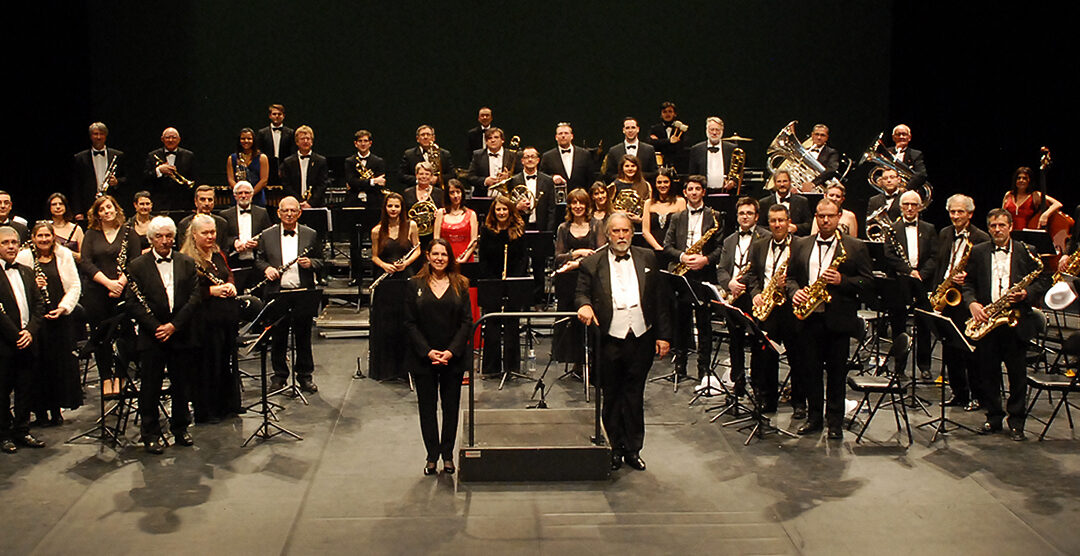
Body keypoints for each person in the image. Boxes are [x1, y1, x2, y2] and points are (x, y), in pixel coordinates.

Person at [576, 212, 672, 471]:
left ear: (632, 232)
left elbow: (660, 300)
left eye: (626, 231)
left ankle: (633, 449)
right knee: (611, 395)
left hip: (640, 337)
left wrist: (664, 335)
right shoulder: (592, 263)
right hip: (609, 338)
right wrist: (584, 305)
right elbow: (581, 293)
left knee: (634, 395)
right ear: (608, 234)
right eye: (616, 231)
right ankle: (613, 448)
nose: (621, 236)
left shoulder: (648, 257)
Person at [786, 198, 873, 440]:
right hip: (808, 317)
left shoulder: (855, 246)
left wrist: (842, 281)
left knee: (836, 373)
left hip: (838, 320)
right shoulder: (802, 244)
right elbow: (790, 278)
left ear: (839, 216)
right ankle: (814, 418)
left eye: (830, 216)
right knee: (809, 371)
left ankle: (834, 421)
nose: (825, 220)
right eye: (821, 216)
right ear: (815, 216)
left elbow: (868, 283)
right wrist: (795, 292)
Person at [962, 208, 1049, 441]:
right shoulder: (979, 251)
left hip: (1016, 321)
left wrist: (1026, 294)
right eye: (992, 226)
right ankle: (993, 416)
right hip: (989, 320)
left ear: (1010, 226)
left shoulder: (1026, 251)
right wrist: (972, 304)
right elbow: (968, 283)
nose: (997, 230)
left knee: (1017, 375)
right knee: (988, 373)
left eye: (1001, 225)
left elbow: (1042, 281)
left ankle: (1017, 421)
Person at [125, 216, 201, 454]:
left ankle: (180, 428)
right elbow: (133, 303)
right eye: (159, 236)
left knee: (181, 384)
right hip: (152, 335)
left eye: (169, 236)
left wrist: (174, 326)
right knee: (150, 386)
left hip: (179, 333)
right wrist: (156, 327)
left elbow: (194, 298)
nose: (165, 241)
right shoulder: (137, 266)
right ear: (150, 239)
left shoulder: (187, 263)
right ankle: (150, 433)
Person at [403, 239, 473, 475]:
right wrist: (427, 351)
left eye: (444, 254)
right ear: (428, 256)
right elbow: (410, 323)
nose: (440, 258)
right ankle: (432, 455)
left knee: (451, 408)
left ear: (449, 257)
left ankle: (448, 455)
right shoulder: (415, 285)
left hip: (453, 358)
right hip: (424, 358)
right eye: (436, 254)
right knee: (427, 408)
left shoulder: (461, 284)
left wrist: (451, 351)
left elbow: (466, 322)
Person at [662, 176, 731, 382]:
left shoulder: (715, 216)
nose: (693, 192)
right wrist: (683, 256)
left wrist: (705, 260)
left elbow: (722, 248)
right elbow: (667, 245)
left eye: (697, 189)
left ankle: (704, 369)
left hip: (703, 274)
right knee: (681, 322)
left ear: (703, 192)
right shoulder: (677, 217)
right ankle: (680, 368)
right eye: (690, 189)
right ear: (685, 192)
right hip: (682, 274)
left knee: (704, 324)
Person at [255, 197, 324, 393]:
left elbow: (321, 259)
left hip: (302, 292)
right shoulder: (267, 235)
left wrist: (311, 264)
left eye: (293, 210)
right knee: (278, 336)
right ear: (278, 212)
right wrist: (267, 268)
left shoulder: (310, 234)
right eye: (285, 210)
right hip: (277, 293)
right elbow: (258, 260)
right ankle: (279, 376)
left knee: (303, 336)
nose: (289, 214)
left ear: (299, 213)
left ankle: (305, 376)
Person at [17, 222, 82, 427]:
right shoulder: (25, 257)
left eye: (47, 235)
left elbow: (74, 285)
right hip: (36, 320)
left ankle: (56, 409)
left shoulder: (63, 255)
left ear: (53, 237)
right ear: (33, 238)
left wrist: (63, 308)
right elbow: (17, 287)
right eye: (40, 236)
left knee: (58, 365)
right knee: (38, 367)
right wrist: (32, 284)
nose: (44, 239)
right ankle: (40, 412)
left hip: (59, 318)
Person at [930, 194, 990, 411]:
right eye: (952, 212)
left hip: (967, 299)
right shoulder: (945, 233)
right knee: (950, 349)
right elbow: (940, 264)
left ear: (970, 214)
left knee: (970, 350)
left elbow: (984, 272)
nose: (955, 216)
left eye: (960, 212)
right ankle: (959, 393)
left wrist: (967, 277)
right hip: (947, 296)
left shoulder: (981, 238)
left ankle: (977, 395)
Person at [180, 213, 241, 423]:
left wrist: (231, 284)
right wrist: (211, 292)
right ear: (194, 234)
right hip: (202, 322)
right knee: (206, 366)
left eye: (212, 232)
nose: (210, 236)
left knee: (224, 362)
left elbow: (228, 273)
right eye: (205, 233)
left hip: (224, 318)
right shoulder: (187, 259)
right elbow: (185, 291)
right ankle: (207, 410)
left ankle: (227, 405)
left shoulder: (218, 254)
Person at [80, 195, 140, 397]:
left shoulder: (128, 232)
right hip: (97, 292)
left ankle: (122, 375)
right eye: (102, 209)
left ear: (116, 209)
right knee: (102, 336)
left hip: (124, 290)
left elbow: (135, 261)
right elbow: (86, 263)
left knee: (126, 335)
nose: (107, 211)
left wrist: (120, 283)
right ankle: (106, 377)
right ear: (97, 214)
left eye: (109, 207)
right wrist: (108, 283)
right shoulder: (91, 234)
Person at [746, 204, 800, 415]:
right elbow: (752, 276)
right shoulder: (759, 245)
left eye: (781, 220)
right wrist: (756, 294)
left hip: (790, 307)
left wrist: (789, 286)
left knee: (797, 357)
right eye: (773, 221)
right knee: (767, 358)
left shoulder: (800, 245)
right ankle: (768, 401)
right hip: (768, 308)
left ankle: (798, 403)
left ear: (788, 222)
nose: (777, 225)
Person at [713, 196, 770, 395]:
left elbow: (764, 269)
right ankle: (737, 381)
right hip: (733, 295)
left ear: (756, 217)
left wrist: (745, 285)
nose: (745, 217)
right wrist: (729, 283)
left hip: (754, 295)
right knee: (734, 340)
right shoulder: (729, 240)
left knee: (756, 341)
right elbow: (721, 269)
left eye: (749, 213)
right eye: (742, 213)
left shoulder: (766, 237)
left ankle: (757, 382)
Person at [0, 225, 46, 453]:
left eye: (14, 243)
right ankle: (3, 434)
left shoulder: (27, 272)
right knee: (2, 390)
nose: (10, 246)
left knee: (25, 388)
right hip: (4, 344)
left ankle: (22, 430)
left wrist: (30, 331)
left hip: (29, 340)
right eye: (5, 243)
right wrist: (16, 334)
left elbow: (39, 305)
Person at [882, 190, 937, 378]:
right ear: (900, 206)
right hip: (899, 282)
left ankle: (925, 366)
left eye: (914, 204)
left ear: (920, 207)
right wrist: (908, 271)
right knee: (898, 324)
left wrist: (921, 273)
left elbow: (933, 256)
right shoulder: (892, 228)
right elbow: (889, 255)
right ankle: (899, 367)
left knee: (924, 323)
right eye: (906, 204)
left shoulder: (929, 229)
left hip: (922, 281)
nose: (910, 208)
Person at [369, 193, 421, 382]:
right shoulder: (377, 230)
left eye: (396, 206)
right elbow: (374, 256)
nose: (393, 209)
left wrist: (406, 264)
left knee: (406, 321)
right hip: (386, 281)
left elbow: (418, 249)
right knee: (387, 324)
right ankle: (388, 369)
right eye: (390, 206)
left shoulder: (411, 226)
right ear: (385, 208)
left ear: (402, 208)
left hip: (405, 278)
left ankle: (407, 367)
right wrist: (384, 265)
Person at [552, 188, 605, 370]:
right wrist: (576, 253)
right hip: (568, 281)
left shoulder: (597, 225)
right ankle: (576, 362)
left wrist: (579, 263)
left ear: (587, 205)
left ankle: (592, 361)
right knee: (571, 322)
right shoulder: (563, 228)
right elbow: (558, 257)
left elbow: (600, 254)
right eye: (574, 203)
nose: (577, 206)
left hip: (589, 280)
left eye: (581, 202)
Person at [477, 196, 528, 376]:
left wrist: (514, 278)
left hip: (513, 282)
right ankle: (491, 368)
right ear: (494, 211)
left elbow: (523, 258)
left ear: (510, 211)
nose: (501, 213)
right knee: (492, 324)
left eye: (504, 209)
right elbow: (482, 259)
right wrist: (493, 279)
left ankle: (511, 367)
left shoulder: (518, 230)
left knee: (512, 324)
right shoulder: (487, 231)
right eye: (498, 209)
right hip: (492, 282)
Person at [220, 181, 273, 294]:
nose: (243, 196)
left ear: (252, 194)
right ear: (235, 196)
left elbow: (268, 236)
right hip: (234, 262)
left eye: (246, 193)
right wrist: (234, 242)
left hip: (257, 263)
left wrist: (257, 243)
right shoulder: (225, 214)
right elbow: (223, 238)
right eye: (240, 193)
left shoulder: (262, 213)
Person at [71, 121, 126, 218]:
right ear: (90, 136)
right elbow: (77, 186)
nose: (99, 137)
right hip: (89, 204)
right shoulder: (80, 158)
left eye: (102, 134)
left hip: (112, 202)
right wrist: (78, 211)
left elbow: (126, 178)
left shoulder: (117, 155)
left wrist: (117, 182)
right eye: (95, 134)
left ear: (106, 136)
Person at [505, 146, 557, 232]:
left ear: (538, 160)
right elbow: (509, 205)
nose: (530, 160)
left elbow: (552, 209)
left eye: (533, 157)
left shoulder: (548, 180)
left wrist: (549, 231)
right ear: (522, 161)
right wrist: (517, 207)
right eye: (526, 157)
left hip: (542, 227)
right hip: (520, 226)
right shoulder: (513, 181)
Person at [143, 127, 196, 211]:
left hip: (182, 202)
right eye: (167, 137)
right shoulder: (152, 155)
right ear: (162, 139)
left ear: (179, 139)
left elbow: (194, 177)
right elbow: (145, 178)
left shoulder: (188, 155)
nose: (171, 140)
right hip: (159, 202)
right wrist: (159, 171)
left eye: (174, 137)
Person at [641, 169, 686, 266]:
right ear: (655, 184)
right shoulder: (648, 203)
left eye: (666, 182)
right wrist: (658, 248)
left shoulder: (680, 202)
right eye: (659, 182)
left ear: (671, 183)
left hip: (674, 250)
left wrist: (668, 250)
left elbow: (682, 230)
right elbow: (645, 231)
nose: (662, 185)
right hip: (652, 250)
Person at [280, 125, 328, 208]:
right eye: (302, 139)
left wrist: (310, 203)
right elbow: (286, 185)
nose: (305, 141)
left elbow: (322, 185)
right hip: (293, 205)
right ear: (297, 142)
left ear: (312, 142)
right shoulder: (288, 162)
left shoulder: (320, 161)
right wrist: (299, 202)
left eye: (308, 139)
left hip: (316, 205)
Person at [1002, 166, 1062, 231]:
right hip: (1009, 233)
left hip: (1027, 235)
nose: (1021, 180)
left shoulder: (1035, 195)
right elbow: (1002, 215)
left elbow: (1057, 204)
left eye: (1024, 178)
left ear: (1029, 181)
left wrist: (1045, 215)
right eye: (1018, 178)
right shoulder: (1008, 195)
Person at [540, 122, 596, 192]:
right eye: (560, 133)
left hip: (581, 198)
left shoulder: (584, 154)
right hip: (557, 199)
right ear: (556, 137)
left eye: (566, 133)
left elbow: (591, 178)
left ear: (572, 136)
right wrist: (552, 178)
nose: (563, 136)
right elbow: (542, 178)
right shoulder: (547, 156)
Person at [687, 117, 738, 191]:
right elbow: (692, 174)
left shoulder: (731, 149)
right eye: (712, 129)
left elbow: (737, 172)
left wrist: (733, 182)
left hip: (727, 192)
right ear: (706, 130)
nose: (714, 132)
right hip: (704, 193)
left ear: (722, 131)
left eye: (717, 130)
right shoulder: (696, 149)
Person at [433, 180, 478, 263]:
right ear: (447, 195)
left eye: (458, 192)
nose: (456, 196)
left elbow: (474, 241)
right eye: (452, 193)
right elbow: (436, 239)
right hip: (444, 260)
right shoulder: (441, 213)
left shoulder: (471, 214)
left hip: (465, 260)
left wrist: (464, 259)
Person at [255, 104, 296, 190]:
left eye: (279, 114)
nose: (277, 116)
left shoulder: (290, 132)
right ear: (270, 116)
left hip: (285, 168)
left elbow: (292, 152)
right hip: (267, 169)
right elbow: (259, 152)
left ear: (283, 116)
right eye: (274, 114)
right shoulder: (262, 133)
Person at [604, 117, 658, 183]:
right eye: (627, 128)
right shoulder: (614, 151)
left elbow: (654, 173)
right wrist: (624, 177)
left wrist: (637, 176)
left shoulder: (649, 149)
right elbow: (609, 175)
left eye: (633, 127)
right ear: (623, 130)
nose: (630, 130)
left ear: (638, 129)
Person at [400, 125, 455, 189]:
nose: (425, 137)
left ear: (433, 138)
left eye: (428, 134)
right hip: (416, 191)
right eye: (422, 135)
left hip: (439, 191)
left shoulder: (444, 154)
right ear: (417, 139)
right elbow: (401, 176)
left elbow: (452, 175)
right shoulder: (409, 154)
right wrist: (420, 180)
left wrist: (437, 179)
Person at [465, 127, 515, 197]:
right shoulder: (478, 155)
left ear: (502, 140)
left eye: (496, 137)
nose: (493, 140)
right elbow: (470, 177)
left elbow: (520, 176)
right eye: (489, 138)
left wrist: (508, 177)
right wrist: (485, 181)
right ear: (486, 141)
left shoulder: (512, 155)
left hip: (507, 199)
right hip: (484, 198)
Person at [343, 130, 388, 208]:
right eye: (360, 141)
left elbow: (380, 185)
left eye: (365, 141)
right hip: (353, 201)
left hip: (374, 202)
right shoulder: (349, 161)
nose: (363, 144)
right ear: (355, 144)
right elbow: (351, 182)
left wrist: (359, 183)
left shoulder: (378, 161)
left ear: (370, 143)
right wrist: (372, 181)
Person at [758, 170, 811, 235]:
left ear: (790, 182)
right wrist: (776, 228)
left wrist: (796, 228)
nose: (782, 184)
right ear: (775, 183)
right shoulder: (764, 203)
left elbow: (809, 224)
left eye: (785, 181)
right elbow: (759, 227)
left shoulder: (802, 201)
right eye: (779, 181)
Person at [177, 185, 229, 251]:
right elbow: (183, 251)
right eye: (202, 199)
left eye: (210, 200)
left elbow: (225, 250)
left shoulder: (222, 223)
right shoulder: (184, 224)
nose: (207, 203)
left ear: (214, 202)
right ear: (196, 202)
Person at [225, 127, 270, 205]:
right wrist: (241, 193)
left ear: (254, 140)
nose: (246, 141)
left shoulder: (262, 158)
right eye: (243, 139)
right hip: (238, 198)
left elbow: (264, 180)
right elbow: (230, 179)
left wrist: (250, 194)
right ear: (239, 140)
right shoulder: (231, 158)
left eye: (249, 139)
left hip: (257, 197)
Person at [796, 124, 842, 193]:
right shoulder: (804, 152)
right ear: (812, 135)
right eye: (816, 134)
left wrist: (813, 183)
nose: (819, 137)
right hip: (800, 190)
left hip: (817, 190)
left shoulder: (831, 152)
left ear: (827, 138)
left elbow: (831, 169)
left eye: (822, 135)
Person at [607, 154, 651, 222]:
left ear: (637, 168)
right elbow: (608, 207)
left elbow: (649, 207)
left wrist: (640, 219)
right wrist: (621, 213)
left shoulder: (646, 185)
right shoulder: (614, 185)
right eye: (627, 166)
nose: (630, 169)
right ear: (622, 168)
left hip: (640, 225)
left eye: (633, 166)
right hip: (620, 223)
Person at [647, 101, 688, 172]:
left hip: (678, 164)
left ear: (675, 114)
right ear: (661, 114)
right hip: (659, 164)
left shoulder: (680, 130)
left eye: (670, 111)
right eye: (664, 112)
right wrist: (669, 141)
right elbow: (650, 143)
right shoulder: (654, 129)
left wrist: (659, 142)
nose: (667, 114)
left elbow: (684, 145)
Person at [888, 124, 928, 189]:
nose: (901, 137)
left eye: (904, 134)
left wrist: (906, 188)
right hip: (887, 190)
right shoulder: (887, 153)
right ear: (893, 137)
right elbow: (876, 173)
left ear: (909, 137)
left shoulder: (916, 154)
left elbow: (921, 174)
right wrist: (879, 181)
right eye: (898, 134)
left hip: (908, 190)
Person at [46, 193, 84, 259]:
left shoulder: (76, 229)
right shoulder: (46, 229)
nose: (58, 207)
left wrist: (66, 252)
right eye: (54, 204)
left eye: (61, 204)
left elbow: (83, 257)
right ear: (49, 208)